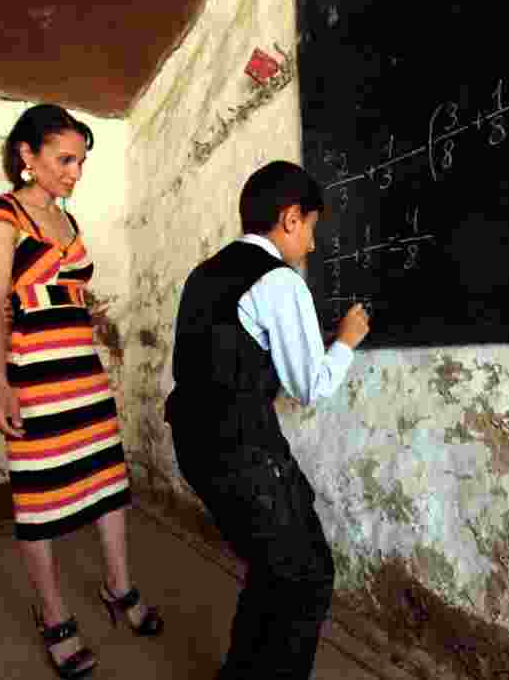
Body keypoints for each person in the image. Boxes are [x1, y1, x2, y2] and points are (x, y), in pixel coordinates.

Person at [0, 103, 163, 679]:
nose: (74, 172)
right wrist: (1, 387)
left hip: (84, 377)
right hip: (36, 380)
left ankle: (118, 586)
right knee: (40, 501)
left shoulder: (69, 222)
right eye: (64, 159)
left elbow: (67, 295)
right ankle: (53, 614)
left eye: (80, 161)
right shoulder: (2, 214)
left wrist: (98, 318)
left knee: (107, 486)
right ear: (26, 157)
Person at [164, 160, 370, 679]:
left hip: (197, 445)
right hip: (242, 450)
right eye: (313, 229)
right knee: (306, 577)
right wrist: (347, 340)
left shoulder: (203, 273)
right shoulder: (279, 281)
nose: (314, 246)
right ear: (291, 218)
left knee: (274, 569)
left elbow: (224, 352)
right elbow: (309, 388)